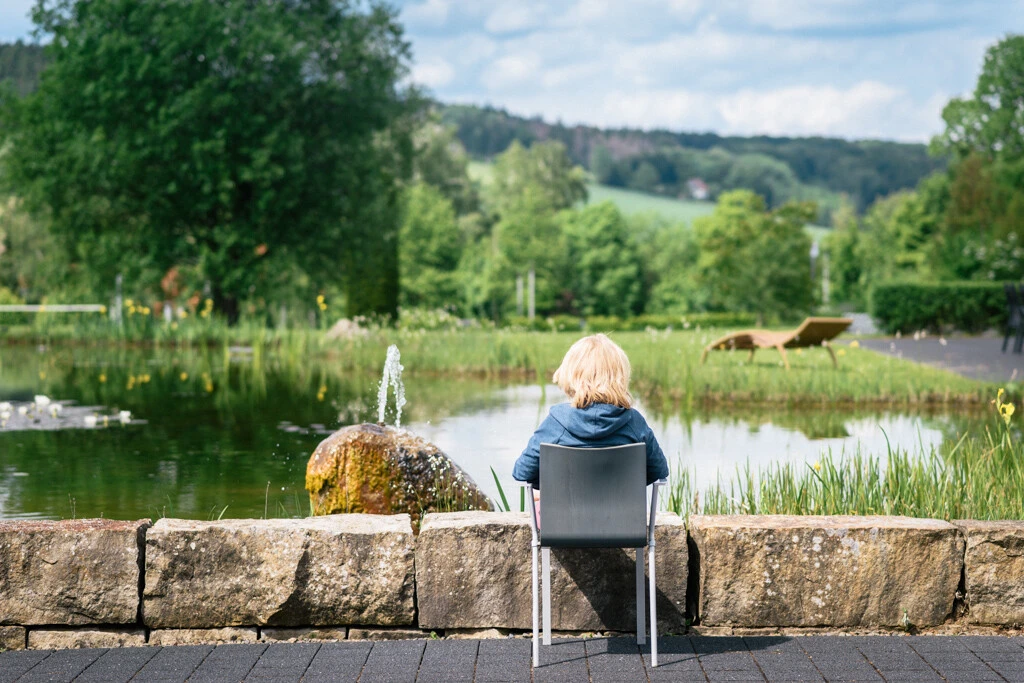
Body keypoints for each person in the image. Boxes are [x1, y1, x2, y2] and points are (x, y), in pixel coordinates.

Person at [512, 334, 669, 515]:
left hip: (563, 523)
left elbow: (522, 472)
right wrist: (619, 488)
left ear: (571, 374)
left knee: (539, 499)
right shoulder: (634, 423)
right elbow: (659, 471)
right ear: (620, 376)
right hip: (621, 523)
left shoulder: (555, 424)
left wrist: (556, 488)